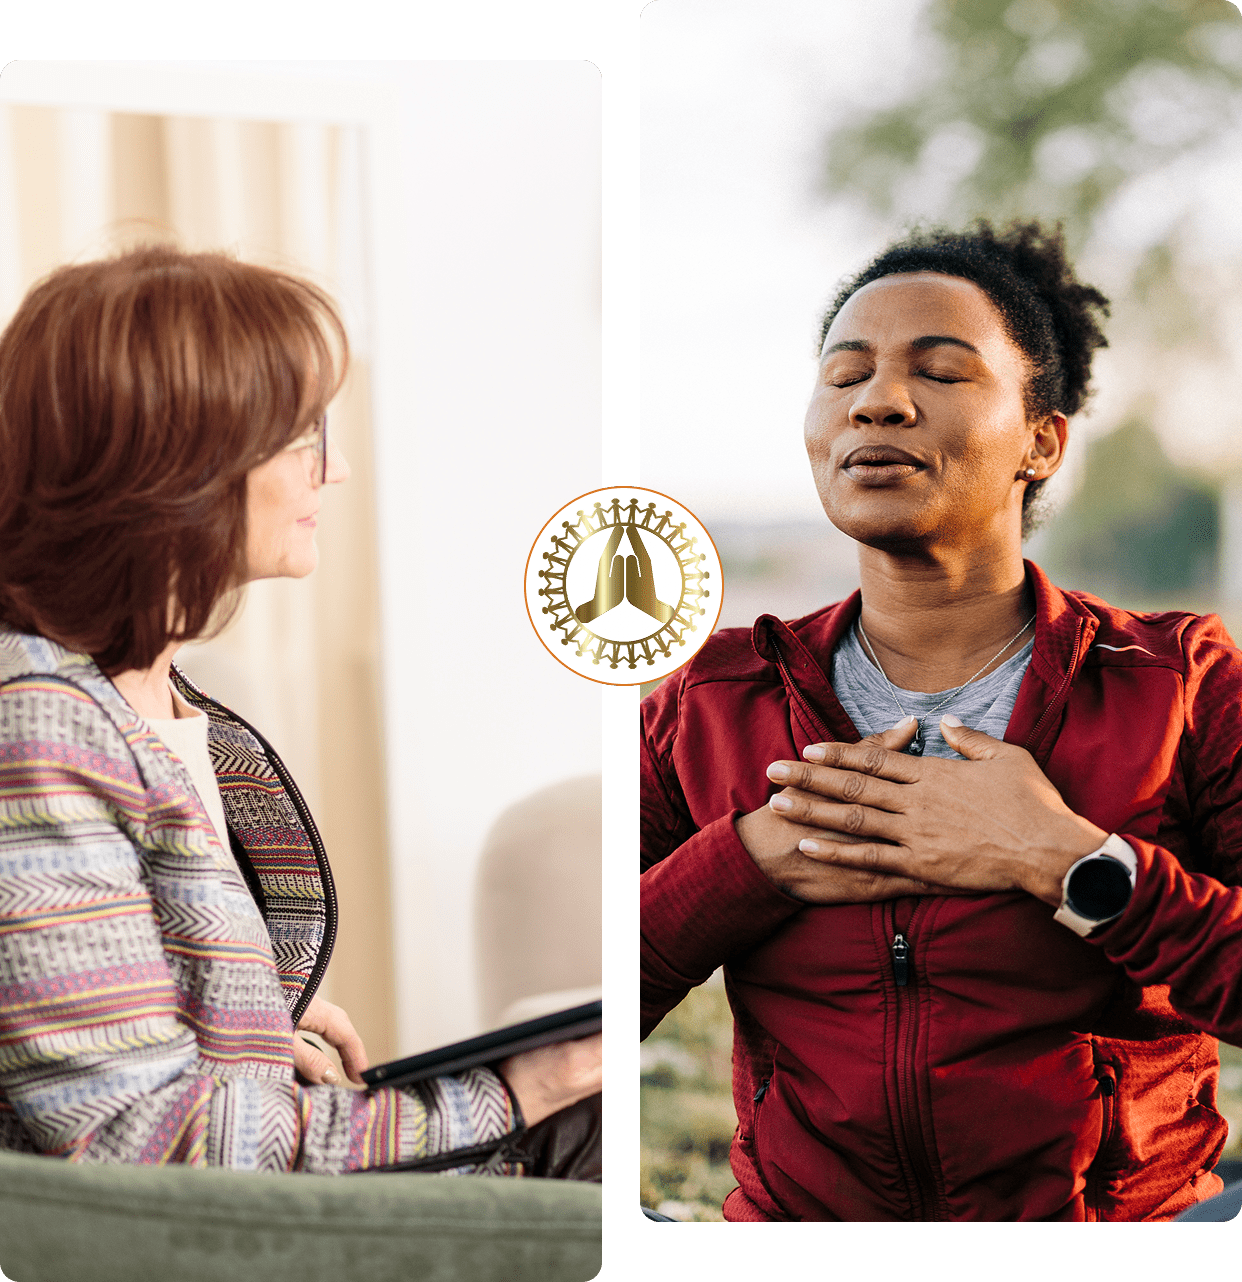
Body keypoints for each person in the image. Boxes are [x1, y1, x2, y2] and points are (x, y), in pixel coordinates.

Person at [639, 220, 1242, 1221]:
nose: (878, 399)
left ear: (1042, 439)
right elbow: (583, 1014)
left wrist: (1069, 861)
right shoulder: (713, 699)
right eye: (845, 374)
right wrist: (743, 865)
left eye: (943, 370)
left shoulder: (1177, 682)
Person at [0, 246, 601, 1174]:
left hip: (257, 1184)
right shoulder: (39, 727)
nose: (341, 468)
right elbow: (138, 1140)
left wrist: (251, 1011)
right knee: (582, 1117)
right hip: (214, 1238)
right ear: (182, 467)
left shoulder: (151, 700)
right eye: (304, 436)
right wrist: (516, 1090)